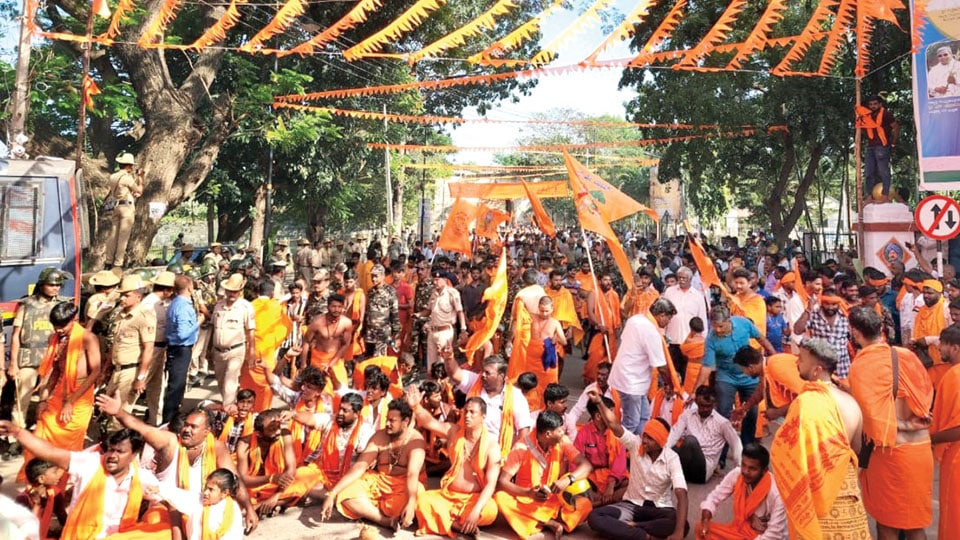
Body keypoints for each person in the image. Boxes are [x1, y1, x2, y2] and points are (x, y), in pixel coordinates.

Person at [94, 392, 260, 531]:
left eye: (193, 427)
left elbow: (234, 480)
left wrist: (249, 508)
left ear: (206, 432)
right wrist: (119, 413)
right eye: (186, 425)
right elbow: (142, 429)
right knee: (157, 529)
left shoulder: (216, 447)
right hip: (165, 508)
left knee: (227, 519)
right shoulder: (170, 442)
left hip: (201, 506)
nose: (186, 430)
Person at [0, 421, 171, 539]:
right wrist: (18, 432)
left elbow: (166, 499)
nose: (112, 456)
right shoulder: (90, 463)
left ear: (134, 455)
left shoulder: (142, 477)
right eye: (110, 450)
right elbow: (50, 452)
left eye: (120, 452)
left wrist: (155, 511)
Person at [847, 307, 933, 540]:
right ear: (882, 329)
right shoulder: (906, 356)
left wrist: (905, 425)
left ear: (855, 332)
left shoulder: (861, 366)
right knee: (915, 524)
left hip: (891, 454)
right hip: (921, 451)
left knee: (888, 524)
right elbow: (926, 394)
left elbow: (872, 417)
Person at [770, 337, 869, 537]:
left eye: (802, 359)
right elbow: (857, 448)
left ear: (816, 370)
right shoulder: (851, 402)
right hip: (848, 493)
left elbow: (786, 451)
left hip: (817, 498)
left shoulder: (806, 403)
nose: (797, 363)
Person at [586, 395, 689, 540]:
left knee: (681, 524)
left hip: (660, 509)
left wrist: (678, 533)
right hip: (631, 505)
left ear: (660, 441)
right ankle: (644, 536)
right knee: (595, 517)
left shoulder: (672, 458)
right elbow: (614, 425)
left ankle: (631, 528)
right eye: (644, 435)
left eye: (649, 438)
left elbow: (681, 494)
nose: (644, 441)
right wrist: (599, 402)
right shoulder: (636, 444)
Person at [19, 303, 101, 479]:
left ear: (74, 320)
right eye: (55, 326)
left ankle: (60, 484)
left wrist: (70, 402)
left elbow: (95, 372)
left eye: (62, 326)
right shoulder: (54, 338)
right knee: (39, 435)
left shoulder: (88, 338)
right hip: (59, 391)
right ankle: (37, 480)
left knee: (68, 446)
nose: (58, 330)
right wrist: (43, 400)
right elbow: (55, 370)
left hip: (81, 395)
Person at [319, 400, 426, 530]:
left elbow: (412, 475)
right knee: (345, 492)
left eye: (392, 421)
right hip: (379, 481)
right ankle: (384, 520)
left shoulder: (416, 441)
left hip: (404, 485)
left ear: (405, 421)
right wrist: (332, 493)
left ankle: (368, 509)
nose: (387, 424)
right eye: (387, 419)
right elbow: (360, 466)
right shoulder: (380, 436)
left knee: (418, 494)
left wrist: (410, 503)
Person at [408, 392, 501, 537]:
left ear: (483, 417)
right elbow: (430, 423)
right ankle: (457, 526)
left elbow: (491, 484)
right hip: (448, 496)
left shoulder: (492, 446)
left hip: (473, 499)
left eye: (472, 412)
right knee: (423, 501)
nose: (467, 415)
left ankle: (446, 521)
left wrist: (476, 511)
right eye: (465, 411)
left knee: (491, 510)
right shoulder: (453, 432)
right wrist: (416, 406)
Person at [494, 411, 594, 539]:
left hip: (554, 501)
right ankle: (547, 522)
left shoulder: (562, 441)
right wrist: (528, 493)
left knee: (585, 505)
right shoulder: (521, 447)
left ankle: (537, 522)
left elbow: (586, 465)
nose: (563, 433)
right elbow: (502, 482)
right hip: (527, 501)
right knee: (500, 497)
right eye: (560, 431)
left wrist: (568, 479)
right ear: (548, 434)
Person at [694, 305, 777, 447]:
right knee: (723, 414)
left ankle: (747, 447)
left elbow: (761, 339)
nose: (717, 330)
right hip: (726, 377)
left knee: (751, 412)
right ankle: (721, 452)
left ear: (728, 321)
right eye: (714, 327)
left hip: (749, 377)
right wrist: (694, 391)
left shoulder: (744, 324)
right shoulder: (711, 339)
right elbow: (707, 367)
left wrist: (775, 359)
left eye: (720, 326)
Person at [7, 268, 70, 447]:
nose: (56, 288)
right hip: (28, 359)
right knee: (21, 400)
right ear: (42, 285)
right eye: (51, 284)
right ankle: (16, 438)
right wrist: (13, 364)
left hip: (52, 360)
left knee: (48, 399)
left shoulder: (62, 306)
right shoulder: (26, 305)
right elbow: (16, 335)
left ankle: (43, 434)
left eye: (58, 285)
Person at [281, 393, 374, 504]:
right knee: (299, 475)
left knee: (350, 494)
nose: (340, 413)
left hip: (348, 478)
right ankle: (325, 497)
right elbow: (311, 418)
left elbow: (365, 463)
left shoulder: (366, 430)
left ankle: (318, 496)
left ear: (356, 414)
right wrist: (294, 414)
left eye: (345, 411)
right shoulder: (330, 419)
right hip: (323, 472)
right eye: (340, 408)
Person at [446, 352, 532, 458]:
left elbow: (524, 430)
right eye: (483, 371)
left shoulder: (516, 397)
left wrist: (515, 457)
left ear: (501, 376)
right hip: (468, 447)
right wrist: (449, 357)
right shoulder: (475, 382)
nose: (482, 375)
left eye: (487, 373)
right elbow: (455, 374)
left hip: (497, 453)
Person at [697, 443, 786, 539]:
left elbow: (774, 535)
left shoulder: (777, 495)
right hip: (739, 532)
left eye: (752, 468)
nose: (745, 471)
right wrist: (705, 521)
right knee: (701, 528)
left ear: (764, 471)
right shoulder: (737, 474)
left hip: (764, 537)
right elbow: (714, 497)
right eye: (743, 465)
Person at [105, 275, 157, 430]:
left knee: (120, 416)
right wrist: (106, 369)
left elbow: (149, 348)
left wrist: (141, 377)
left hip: (131, 371)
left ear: (138, 296)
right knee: (107, 409)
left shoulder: (144, 317)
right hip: (117, 370)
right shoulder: (120, 315)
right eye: (121, 294)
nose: (122, 298)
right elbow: (115, 344)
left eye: (127, 295)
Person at [666, 384, 742, 484]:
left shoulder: (722, 422)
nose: (705, 409)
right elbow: (674, 434)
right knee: (671, 449)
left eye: (708, 406)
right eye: (702, 406)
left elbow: (736, 444)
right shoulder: (687, 415)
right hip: (687, 462)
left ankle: (674, 477)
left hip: (703, 470)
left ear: (714, 404)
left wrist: (739, 469)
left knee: (690, 441)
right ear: (696, 402)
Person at [235, 408, 297, 516]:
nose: (278, 431)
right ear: (259, 434)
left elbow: (291, 469)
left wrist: (276, 495)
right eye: (272, 429)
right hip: (253, 487)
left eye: (278, 427)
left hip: (278, 487)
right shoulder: (244, 444)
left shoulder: (285, 435)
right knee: (236, 492)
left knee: (305, 475)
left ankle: (261, 506)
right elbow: (243, 480)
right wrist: (271, 478)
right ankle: (279, 503)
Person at [151, 468, 245, 540]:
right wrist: (160, 489)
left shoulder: (233, 509)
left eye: (211, 489)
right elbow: (178, 495)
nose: (205, 492)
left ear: (224, 493)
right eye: (205, 487)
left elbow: (235, 535)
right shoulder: (197, 500)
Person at [211, 273, 256, 406]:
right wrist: (208, 349)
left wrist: (252, 352)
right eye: (230, 290)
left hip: (236, 351)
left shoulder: (246, 307)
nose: (232, 294)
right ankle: (230, 405)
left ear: (240, 291)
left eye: (235, 291)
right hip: (218, 351)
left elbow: (250, 331)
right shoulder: (218, 306)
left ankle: (227, 413)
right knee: (221, 382)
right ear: (225, 290)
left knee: (230, 384)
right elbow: (213, 328)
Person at [573, 396, 628, 506]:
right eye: (611, 412)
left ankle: (596, 504)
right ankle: (603, 501)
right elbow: (575, 462)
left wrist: (610, 486)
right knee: (578, 486)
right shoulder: (583, 433)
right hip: (591, 478)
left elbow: (620, 462)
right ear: (598, 416)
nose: (614, 416)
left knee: (633, 485)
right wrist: (589, 490)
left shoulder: (617, 433)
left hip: (613, 477)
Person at [933, 325, 960, 539]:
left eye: (942, 344)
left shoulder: (955, 376)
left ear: (955, 348)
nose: (938, 347)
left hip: (956, 458)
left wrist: (928, 438)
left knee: (953, 516)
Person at [163, 274, 199, 425]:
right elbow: (183, 334)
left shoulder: (174, 303)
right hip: (180, 349)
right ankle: (169, 421)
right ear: (189, 287)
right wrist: (198, 323)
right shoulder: (183, 306)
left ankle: (171, 417)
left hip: (175, 348)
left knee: (175, 385)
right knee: (176, 387)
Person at [523, 296, 568, 410]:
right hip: (531, 358)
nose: (544, 314)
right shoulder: (532, 317)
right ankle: (530, 408)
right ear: (538, 307)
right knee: (530, 383)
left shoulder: (555, 323)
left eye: (547, 311)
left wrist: (556, 339)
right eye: (542, 310)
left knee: (548, 385)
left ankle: (547, 408)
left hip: (546, 360)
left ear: (552, 309)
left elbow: (564, 341)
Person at [794, 294, 852, 379]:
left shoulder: (846, 316)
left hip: (842, 368)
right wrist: (808, 309)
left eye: (833, 304)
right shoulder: (814, 314)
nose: (830, 307)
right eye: (827, 304)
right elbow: (797, 330)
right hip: (821, 368)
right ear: (822, 303)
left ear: (838, 304)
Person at [420, 269, 466, 372]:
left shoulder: (452, 293)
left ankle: (444, 385)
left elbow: (460, 311)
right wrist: (418, 315)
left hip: (445, 331)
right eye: (434, 280)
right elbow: (428, 310)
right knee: (431, 363)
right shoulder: (434, 293)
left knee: (443, 363)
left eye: (437, 280)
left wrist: (463, 329)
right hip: (432, 330)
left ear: (445, 279)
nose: (435, 282)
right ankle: (432, 385)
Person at [103, 152, 144, 268]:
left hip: (116, 206)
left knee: (113, 235)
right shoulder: (127, 178)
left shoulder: (113, 176)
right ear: (128, 166)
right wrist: (140, 178)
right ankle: (118, 262)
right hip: (127, 208)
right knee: (123, 236)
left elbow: (122, 191)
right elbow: (139, 190)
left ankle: (108, 261)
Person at [564, 361, 620, 438]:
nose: (599, 377)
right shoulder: (591, 389)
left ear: (610, 376)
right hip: (596, 427)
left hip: (615, 428)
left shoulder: (618, 391)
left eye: (603, 375)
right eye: (598, 374)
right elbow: (576, 411)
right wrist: (572, 433)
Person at [912, 278, 952, 386]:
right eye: (924, 293)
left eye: (930, 293)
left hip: (943, 361)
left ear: (939, 293)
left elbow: (952, 336)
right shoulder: (922, 310)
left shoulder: (946, 309)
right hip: (925, 360)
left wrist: (928, 340)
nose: (926, 296)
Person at [16, 458, 67, 539]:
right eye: (55, 472)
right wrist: (37, 505)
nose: (59, 475)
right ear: (41, 479)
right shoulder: (23, 499)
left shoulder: (54, 492)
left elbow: (62, 516)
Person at [861, 95, 899, 203]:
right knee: (868, 172)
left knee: (884, 171)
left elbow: (896, 127)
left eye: (875, 104)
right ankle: (869, 196)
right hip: (870, 147)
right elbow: (864, 129)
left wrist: (893, 142)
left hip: (882, 146)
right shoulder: (867, 115)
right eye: (871, 104)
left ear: (880, 104)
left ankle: (885, 195)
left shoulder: (886, 114)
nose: (873, 106)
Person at [363, 264, 401, 357]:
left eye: (376, 276)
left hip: (382, 333)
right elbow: (368, 311)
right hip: (370, 333)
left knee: (379, 360)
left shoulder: (390, 292)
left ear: (383, 276)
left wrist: (396, 335)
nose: (373, 279)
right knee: (369, 359)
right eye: (372, 276)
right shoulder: (371, 292)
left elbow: (394, 313)